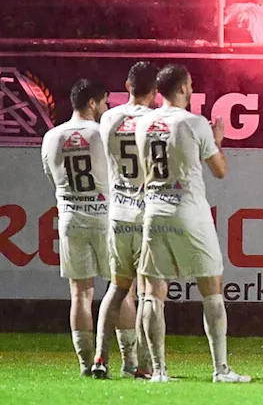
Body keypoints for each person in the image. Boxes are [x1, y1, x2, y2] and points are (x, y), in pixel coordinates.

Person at [135, 65, 249, 383]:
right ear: (184, 88)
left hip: (155, 210)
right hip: (189, 211)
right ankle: (221, 369)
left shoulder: (143, 123)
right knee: (211, 287)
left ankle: (158, 370)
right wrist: (216, 140)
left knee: (152, 292)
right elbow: (220, 170)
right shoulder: (194, 123)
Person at [92, 62, 159, 379]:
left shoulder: (108, 117)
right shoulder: (157, 120)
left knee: (117, 289)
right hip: (148, 213)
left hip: (118, 211)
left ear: (127, 85)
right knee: (150, 293)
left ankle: (99, 358)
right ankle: (144, 365)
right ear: (155, 91)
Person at [41, 78, 111, 377]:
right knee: (121, 289)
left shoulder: (51, 136)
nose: (107, 108)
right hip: (105, 217)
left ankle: (85, 364)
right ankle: (128, 362)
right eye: (105, 102)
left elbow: (51, 177)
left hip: (70, 217)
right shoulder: (102, 134)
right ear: (92, 103)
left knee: (80, 293)